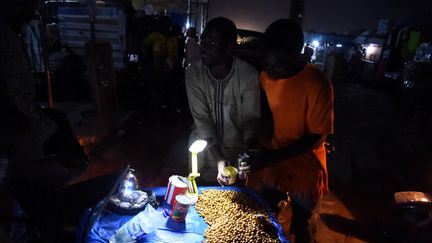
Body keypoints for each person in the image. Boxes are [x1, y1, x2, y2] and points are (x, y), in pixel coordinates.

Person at [240, 19, 334, 243]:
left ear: (297, 55)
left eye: (279, 66)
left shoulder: (317, 83)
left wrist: (270, 156)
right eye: (267, 64)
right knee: (262, 218)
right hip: (275, 165)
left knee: (301, 228)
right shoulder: (265, 77)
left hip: (306, 169)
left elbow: (317, 135)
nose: (271, 73)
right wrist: (255, 149)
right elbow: (267, 118)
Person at [0, 1, 87, 241]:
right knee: (37, 186)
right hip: (17, 133)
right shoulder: (4, 36)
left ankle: (41, 224)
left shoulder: (13, 33)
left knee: (54, 175)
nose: (34, 7)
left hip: (25, 129)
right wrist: (13, 115)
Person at [185, 17, 260, 185]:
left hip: (237, 152)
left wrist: (249, 152)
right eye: (202, 42)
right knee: (200, 194)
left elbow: (251, 120)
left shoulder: (248, 75)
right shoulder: (193, 74)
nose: (203, 49)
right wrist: (219, 158)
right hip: (203, 149)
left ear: (229, 48)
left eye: (211, 44)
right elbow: (202, 119)